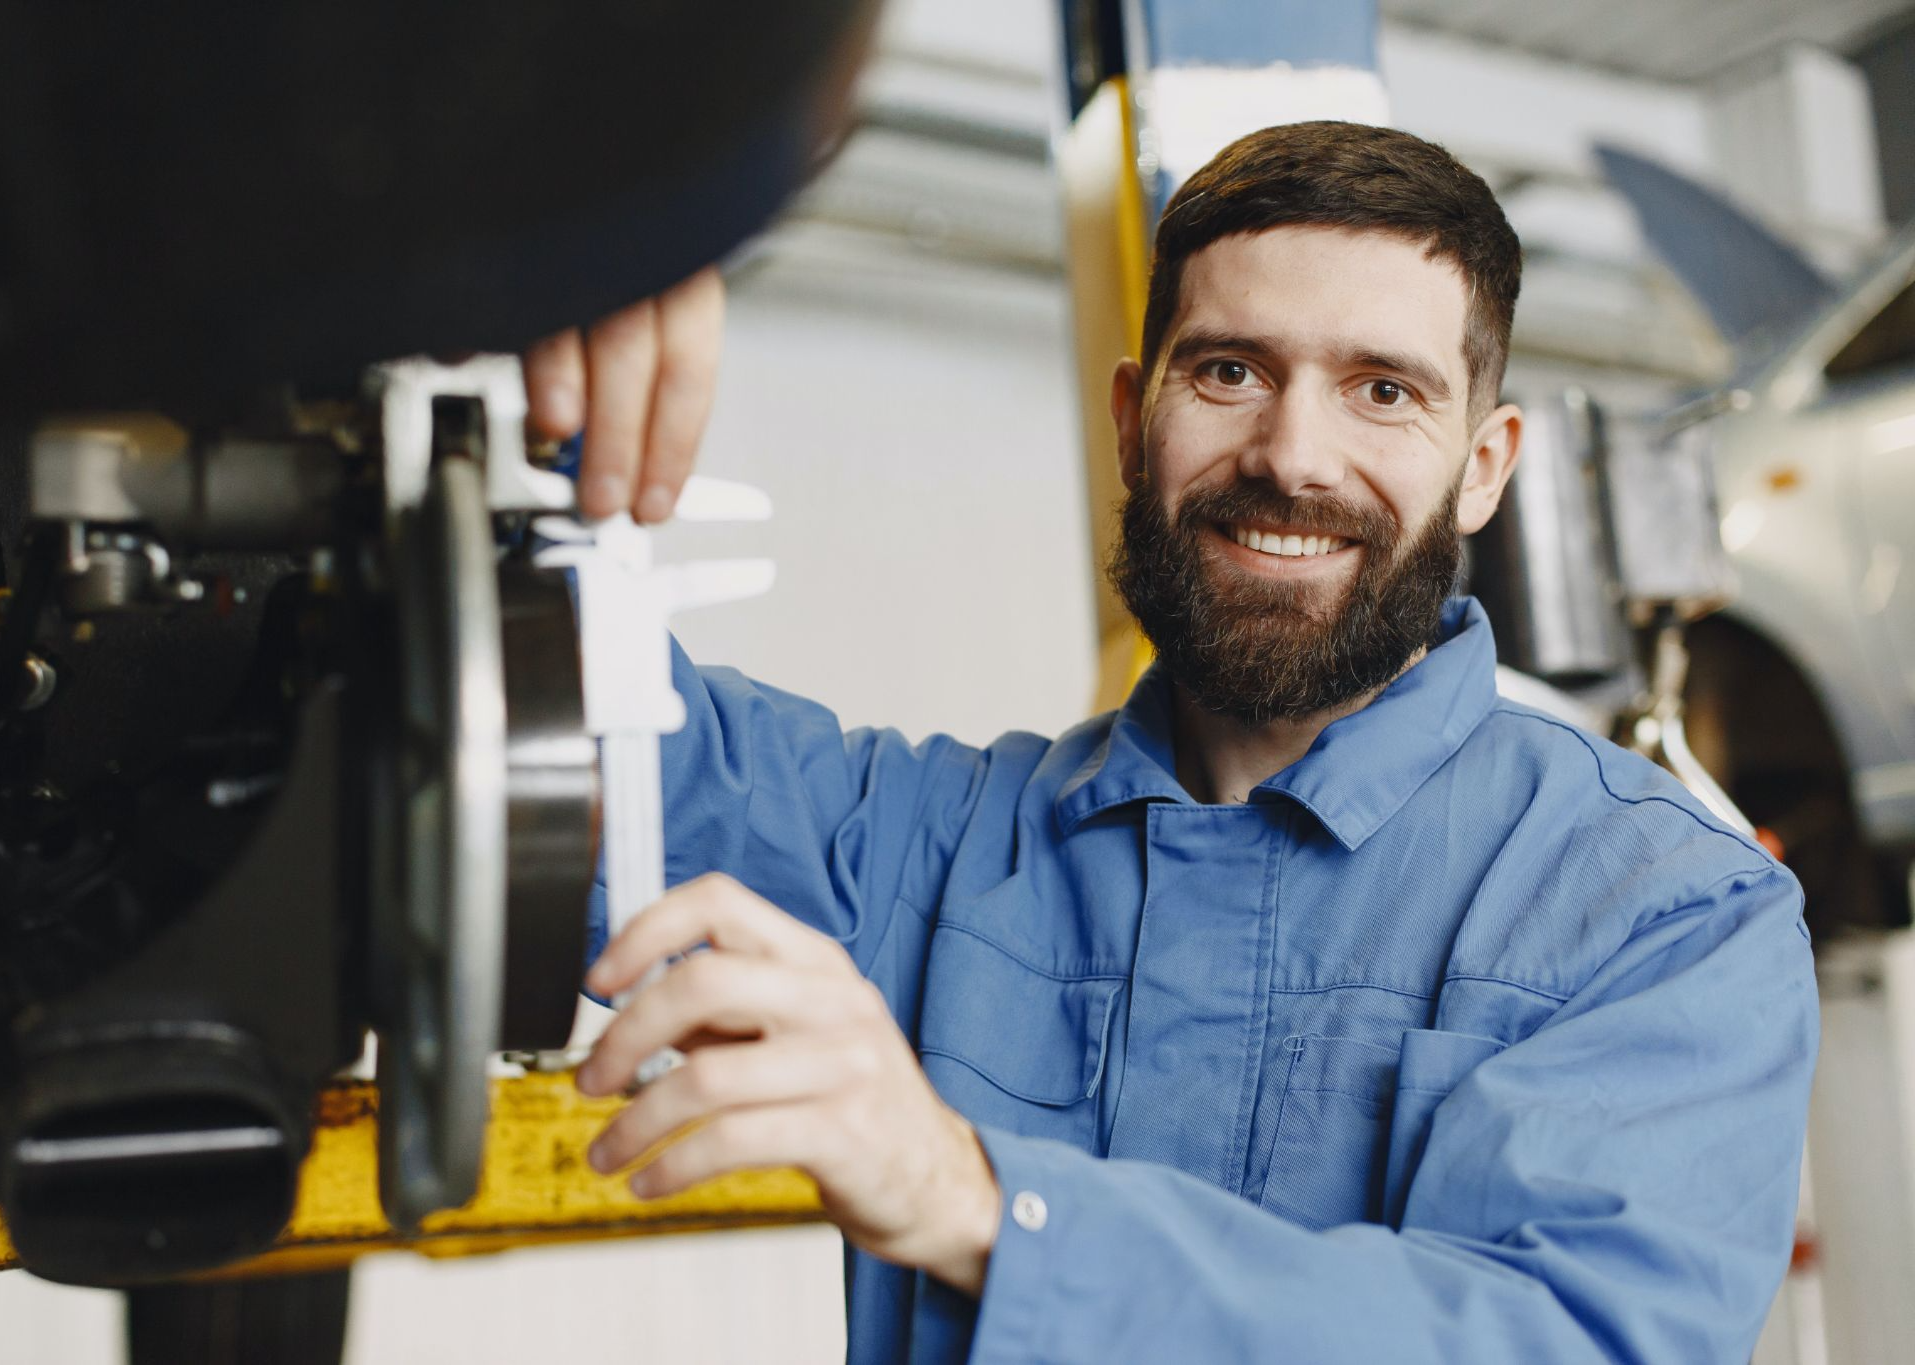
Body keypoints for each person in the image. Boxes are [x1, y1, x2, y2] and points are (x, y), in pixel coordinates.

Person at [525, 121, 1817, 1363]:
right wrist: (555, 285)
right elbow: (547, 747)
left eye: (1382, 390)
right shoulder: (917, 851)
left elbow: (1562, 1340)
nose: (1292, 457)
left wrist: (981, 1205)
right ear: (1136, 417)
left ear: (1485, 467)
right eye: (1231, 372)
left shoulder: (1668, 916)